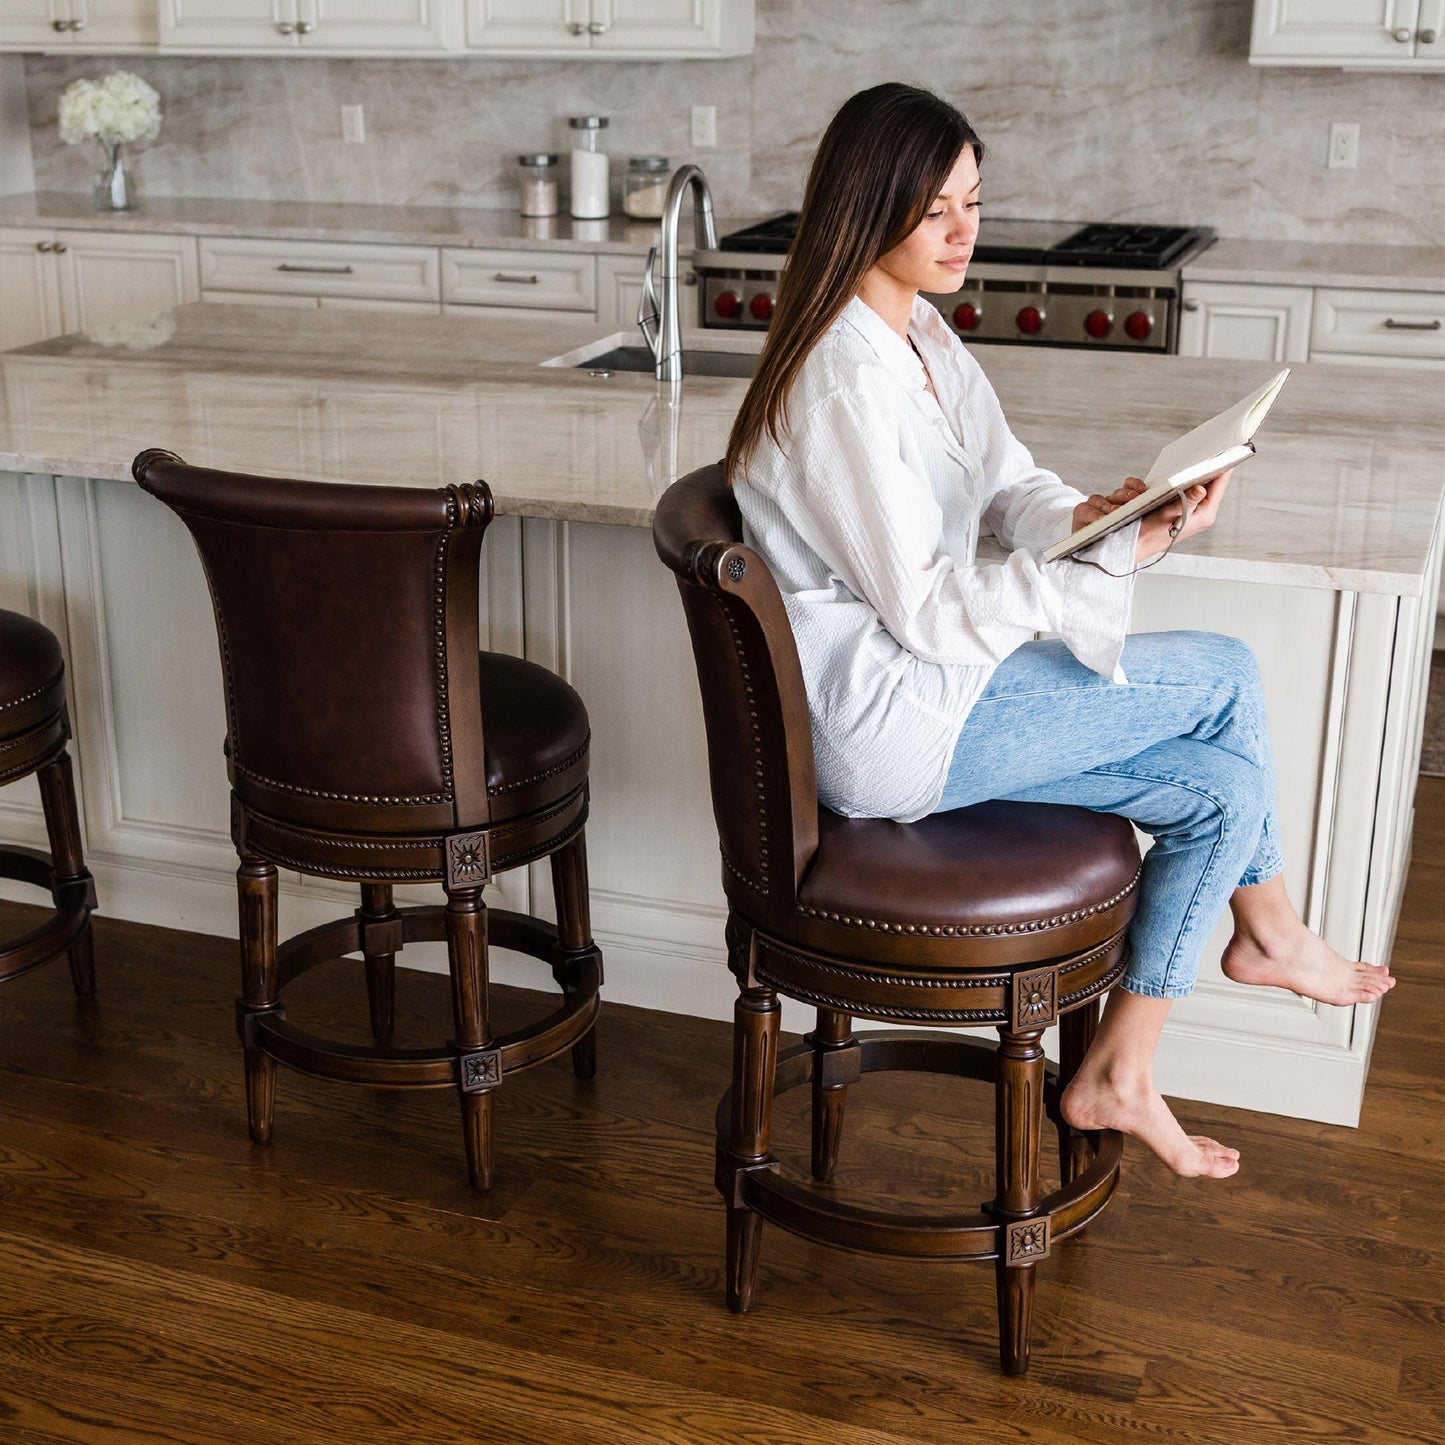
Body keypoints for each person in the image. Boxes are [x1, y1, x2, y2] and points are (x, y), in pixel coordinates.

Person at [725, 82, 1394, 1180]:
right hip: (891, 721)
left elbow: (1007, 484)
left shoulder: (920, 337)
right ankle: (1269, 930)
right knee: (1224, 671)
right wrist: (1112, 558)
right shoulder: (838, 380)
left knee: (1222, 790)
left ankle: (1117, 1070)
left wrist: (1094, 516)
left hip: (941, 681)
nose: (961, 232)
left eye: (973, 203)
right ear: (865, 206)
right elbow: (929, 605)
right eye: (932, 209)